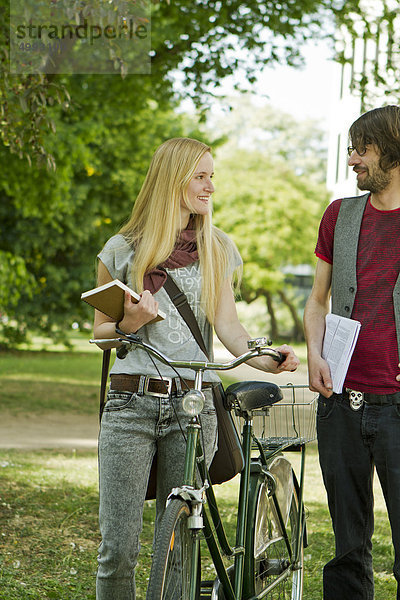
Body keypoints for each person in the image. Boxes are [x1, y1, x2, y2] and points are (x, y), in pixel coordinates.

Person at [93, 136, 299, 599]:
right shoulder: (122, 249)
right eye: (201, 176)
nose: (211, 187)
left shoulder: (217, 248)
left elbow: (228, 325)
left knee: (182, 545)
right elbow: (101, 331)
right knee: (116, 549)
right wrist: (131, 322)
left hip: (195, 406)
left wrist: (267, 358)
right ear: (174, 179)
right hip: (131, 401)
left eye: (212, 176)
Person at [304, 105, 400, 599]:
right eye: (350, 149)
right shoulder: (339, 216)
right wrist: (315, 354)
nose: (352, 160)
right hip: (341, 400)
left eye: (361, 149)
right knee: (346, 553)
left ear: (392, 149)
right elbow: (317, 301)